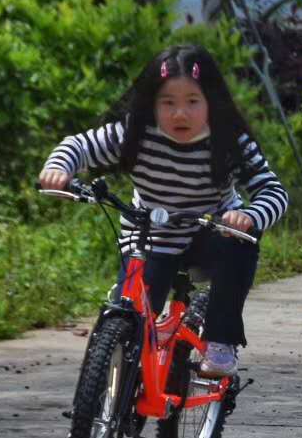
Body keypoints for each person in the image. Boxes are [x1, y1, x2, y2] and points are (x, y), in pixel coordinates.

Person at [37, 44, 288, 378]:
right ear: (151, 104)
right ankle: (111, 392)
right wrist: (59, 169)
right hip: (149, 237)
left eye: (192, 102)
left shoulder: (229, 141)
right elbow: (78, 145)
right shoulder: (135, 134)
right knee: (131, 313)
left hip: (210, 233)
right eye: (167, 103)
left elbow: (272, 190)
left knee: (239, 246)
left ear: (211, 102)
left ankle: (221, 342)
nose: (179, 114)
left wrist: (251, 216)